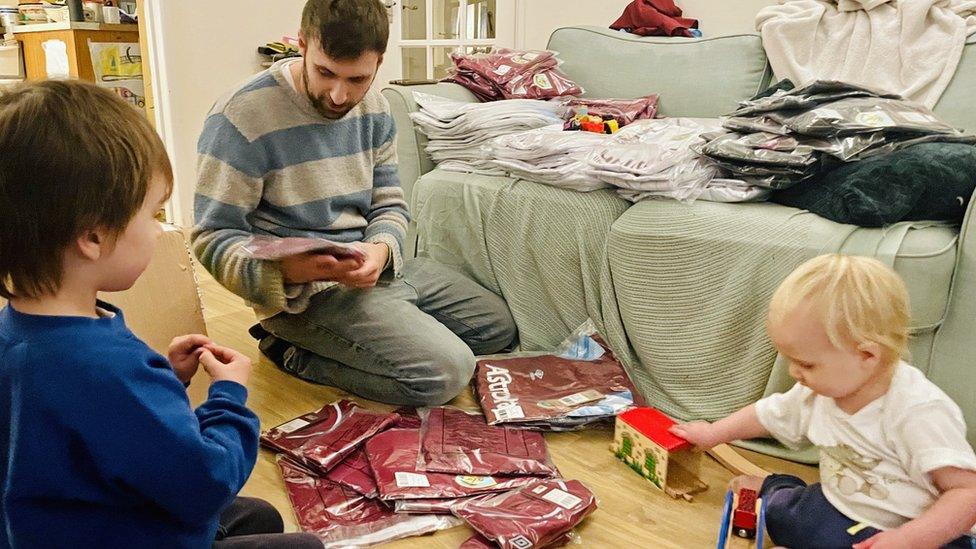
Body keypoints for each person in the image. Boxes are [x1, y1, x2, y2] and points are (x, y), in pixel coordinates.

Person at [0, 80, 320, 548]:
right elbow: (207, 485)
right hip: (129, 530)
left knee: (258, 515)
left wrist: (167, 380)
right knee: (305, 544)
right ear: (92, 238)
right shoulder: (107, 370)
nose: (160, 230)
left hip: (69, 522)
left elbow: (90, 432)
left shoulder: (21, 334)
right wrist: (229, 396)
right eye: (154, 214)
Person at [192, 0, 516, 406]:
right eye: (325, 73)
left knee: (498, 328)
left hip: (377, 273)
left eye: (357, 79)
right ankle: (292, 353)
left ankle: (392, 329)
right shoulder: (240, 116)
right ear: (304, 45)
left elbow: (390, 202)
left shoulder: (376, 107)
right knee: (445, 374)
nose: (339, 95)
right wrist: (285, 271)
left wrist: (380, 250)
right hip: (305, 298)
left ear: (379, 62)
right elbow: (211, 236)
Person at [670, 254, 976, 549]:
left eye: (807, 364)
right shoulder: (816, 392)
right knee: (779, 516)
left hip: (919, 531)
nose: (794, 373)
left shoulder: (918, 412)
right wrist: (713, 433)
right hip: (839, 507)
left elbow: (967, 493)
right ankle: (776, 487)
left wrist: (909, 540)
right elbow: (766, 415)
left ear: (867, 355)